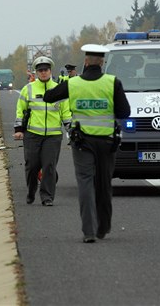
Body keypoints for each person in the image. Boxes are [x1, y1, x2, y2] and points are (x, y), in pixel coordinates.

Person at [43, 44, 131, 243]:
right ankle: (104, 227)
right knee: (103, 184)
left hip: (82, 142)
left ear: (85, 62)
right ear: (102, 62)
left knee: (85, 183)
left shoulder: (74, 84)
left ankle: (89, 231)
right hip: (107, 142)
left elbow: (49, 97)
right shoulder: (112, 82)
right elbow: (125, 112)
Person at [13, 56, 72, 206]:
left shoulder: (60, 89)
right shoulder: (29, 89)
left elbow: (66, 113)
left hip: (53, 136)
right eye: (40, 70)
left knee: (49, 166)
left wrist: (71, 131)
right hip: (32, 135)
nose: (43, 73)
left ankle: (47, 197)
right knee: (32, 166)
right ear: (36, 73)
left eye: (45, 70)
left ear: (50, 71)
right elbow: (21, 110)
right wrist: (19, 130)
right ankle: (31, 190)